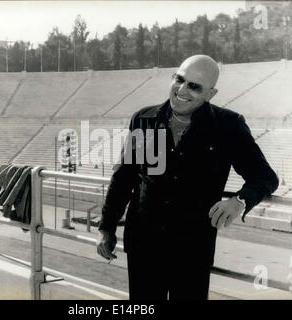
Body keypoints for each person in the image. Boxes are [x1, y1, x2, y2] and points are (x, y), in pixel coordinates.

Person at [96, 55, 279, 300]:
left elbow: (265, 176)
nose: (182, 90)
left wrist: (239, 201)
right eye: (179, 79)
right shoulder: (143, 119)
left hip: (192, 250)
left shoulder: (228, 126)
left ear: (210, 94)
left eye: (194, 86)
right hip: (144, 246)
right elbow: (124, 178)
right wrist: (106, 227)